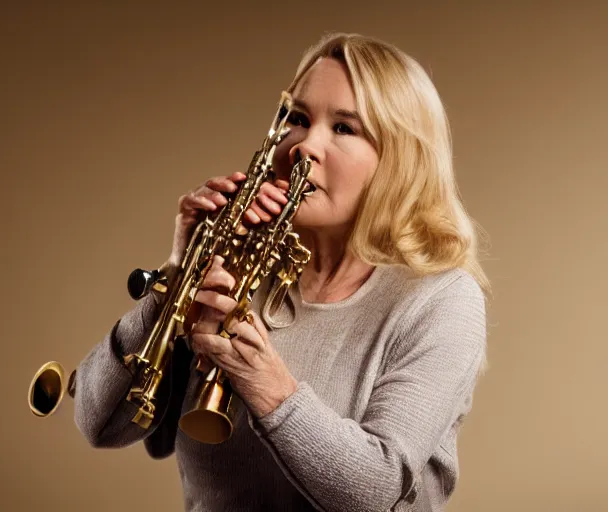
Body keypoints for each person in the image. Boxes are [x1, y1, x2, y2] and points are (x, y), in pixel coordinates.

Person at [72, 32, 491, 512]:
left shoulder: (441, 300)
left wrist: (266, 384)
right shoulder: (236, 269)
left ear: (399, 160)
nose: (305, 147)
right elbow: (99, 423)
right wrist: (173, 284)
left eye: (344, 128)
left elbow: (377, 492)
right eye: (297, 119)